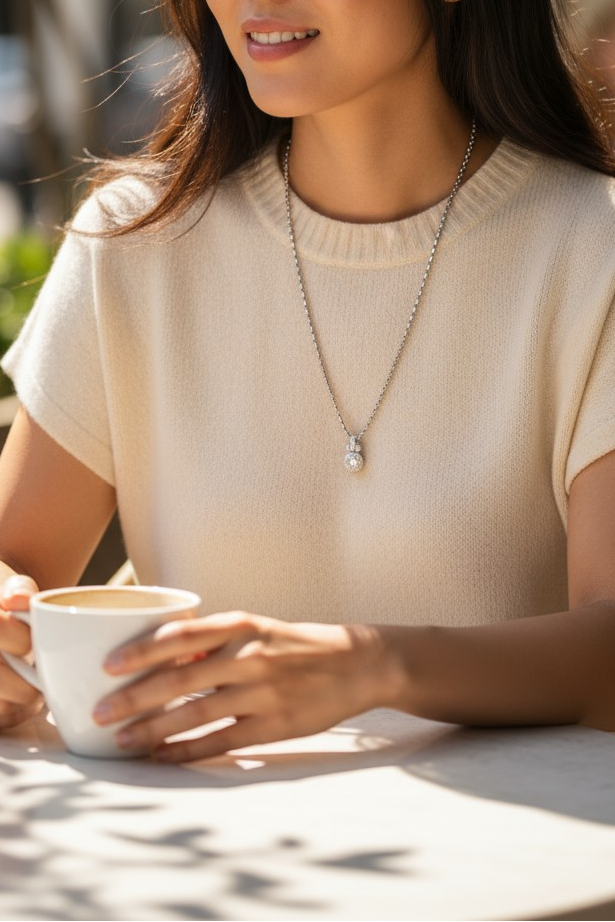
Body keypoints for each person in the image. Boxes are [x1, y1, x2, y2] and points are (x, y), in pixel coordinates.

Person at [0, 0, 615, 763]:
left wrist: (369, 664)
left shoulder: (594, 250)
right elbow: (15, 567)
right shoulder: (133, 246)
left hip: (522, 868)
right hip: (192, 852)